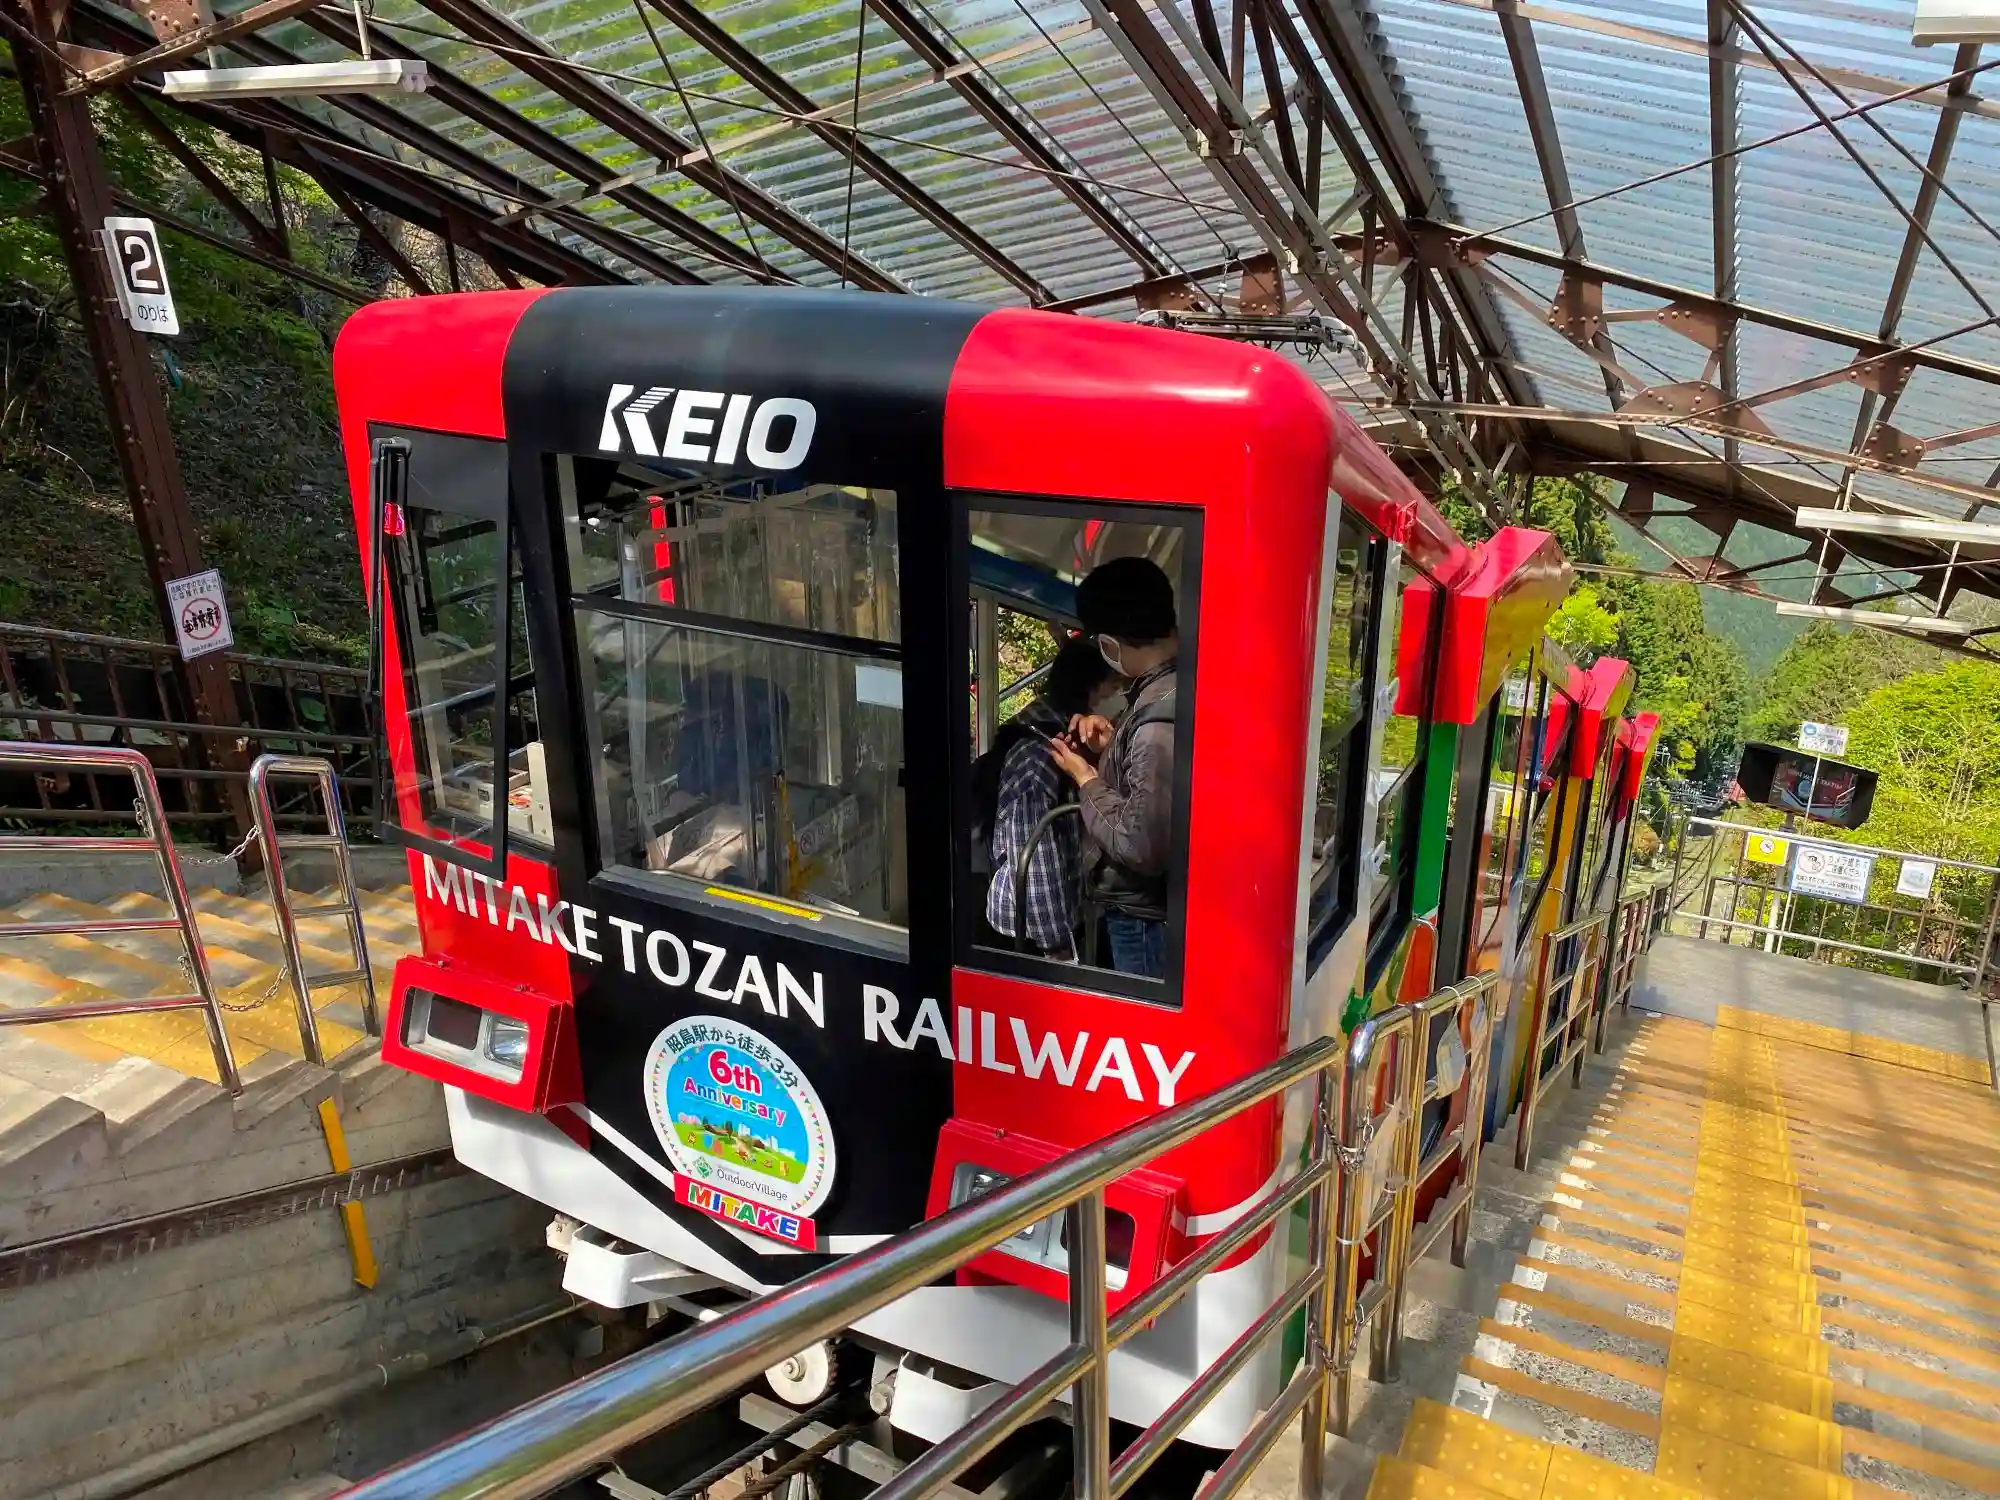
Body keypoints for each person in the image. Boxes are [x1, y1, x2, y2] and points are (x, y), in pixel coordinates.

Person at [1048, 556, 1179, 979]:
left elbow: (1142, 845)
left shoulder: (1157, 719)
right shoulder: (1171, 690)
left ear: (1111, 642)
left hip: (1144, 921)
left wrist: (1086, 778)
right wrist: (1111, 752)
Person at [980, 636, 1117, 956]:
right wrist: (1058, 949)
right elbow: (1035, 859)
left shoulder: (1048, 728)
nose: (1115, 696)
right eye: (1114, 686)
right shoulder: (1039, 755)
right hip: (1030, 932)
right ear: (1092, 689)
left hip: (1048, 918)